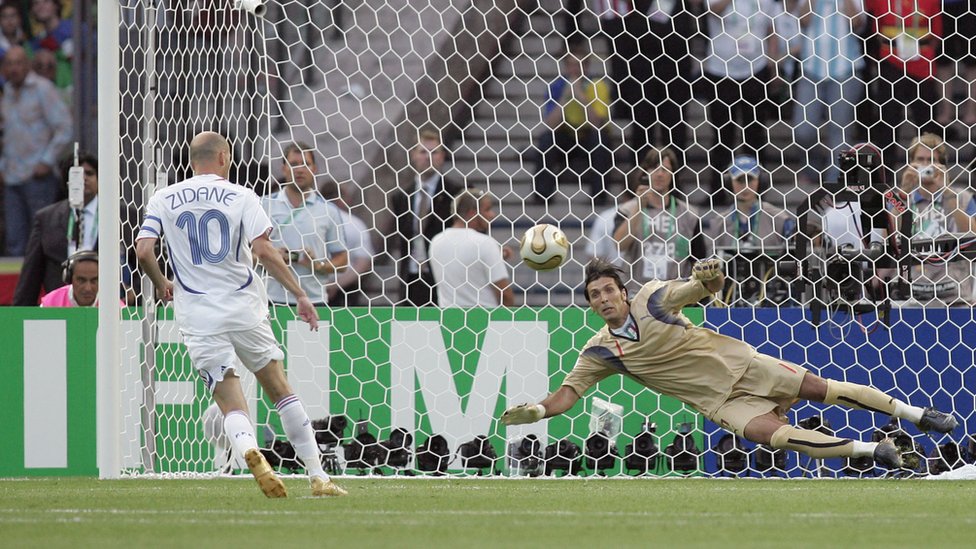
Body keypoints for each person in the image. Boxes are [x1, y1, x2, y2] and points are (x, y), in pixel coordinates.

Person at [501, 257, 959, 469]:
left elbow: (698, 288)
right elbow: (568, 394)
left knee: (825, 389)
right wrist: (539, 411)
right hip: (719, 401)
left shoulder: (651, 299)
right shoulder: (600, 351)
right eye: (594, 295)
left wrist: (711, 277)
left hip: (744, 365)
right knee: (774, 436)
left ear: (622, 291)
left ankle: (919, 416)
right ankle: (873, 452)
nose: (603, 299)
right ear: (590, 304)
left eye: (608, 290)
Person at [135, 131, 346, 498]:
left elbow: (143, 250)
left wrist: (162, 282)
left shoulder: (164, 198)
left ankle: (248, 449)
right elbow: (263, 250)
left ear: (192, 160)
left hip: (198, 313)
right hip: (244, 307)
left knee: (230, 401)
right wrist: (300, 294)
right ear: (223, 158)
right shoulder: (243, 196)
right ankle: (318, 477)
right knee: (280, 389)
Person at [12, 153, 139, 305]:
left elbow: (141, 264)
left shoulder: (124, 216)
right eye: (76, 175)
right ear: (67, 181)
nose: (84, 178)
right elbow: (31, 274)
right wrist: (19, 315)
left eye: (90, 173)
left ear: (99, 179)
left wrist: (135, 295)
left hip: (111, 309)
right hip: (60, 309)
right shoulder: (46, 218)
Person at [701, 0, 783, 206]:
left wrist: (774, 67)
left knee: (754, 134)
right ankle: (717, 191)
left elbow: (771, 30)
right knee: (722, 136)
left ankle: (757, 190)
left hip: (756, 69)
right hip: (721, 71)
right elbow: (712, 10)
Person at [0, 45, 72, 256]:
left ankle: (44, 289)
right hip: (12, 177)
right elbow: (5, 134)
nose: (14, 68)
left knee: (42, 238)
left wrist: (47, 160)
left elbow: (65, 127)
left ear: (28, 65)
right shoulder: (8, 92)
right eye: (9, 63)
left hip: (38, 176)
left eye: (18, 62)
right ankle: (16, 289)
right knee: (15, 240)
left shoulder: (43, 88)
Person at [261, 142, 348, 307]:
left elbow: (342, 262)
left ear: (314, 169)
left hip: (314, 300)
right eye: (293, 164)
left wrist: (317, 265)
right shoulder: (264, 205)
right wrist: (272, 257)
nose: (299, 169)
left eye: (305, 164)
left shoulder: (328, 210)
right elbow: (244, 254)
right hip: (270, 299)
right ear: (283, 169)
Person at [791, 0, 866, 185]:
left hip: (845, 69)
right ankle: (812, 168)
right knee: (803, 130)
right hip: (811, 69)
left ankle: (836, 181)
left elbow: (857, 22)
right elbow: (804, 20)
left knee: (840, 130)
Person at [705, 157, 796, 305]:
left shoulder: (779, 219)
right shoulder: (718, 223)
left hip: (773, 301)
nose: (745, 186)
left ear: (761, 181)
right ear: (729, 183)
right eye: (740, 180)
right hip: (730, 301)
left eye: (750, 179)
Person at [388, 127, 463, 307]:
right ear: (413, 155)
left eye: (434, 152)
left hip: (444, 278)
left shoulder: (456, 192)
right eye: (423, 152)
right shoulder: (401, 197)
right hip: (411, 277)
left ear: (442, 156)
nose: (428, 157)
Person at [897, 134, 976, 305]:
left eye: (931, 160)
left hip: (956, 296)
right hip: (913, 296)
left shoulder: (962, 197)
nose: (926, 165)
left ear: (942, 164)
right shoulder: (900, 200)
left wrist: (947, 192)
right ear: (911, 163)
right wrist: (904, 192)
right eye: (920, 159)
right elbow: (889, 238)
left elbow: (973, 237)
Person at [613, 147, 708, 286]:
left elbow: (698, 260)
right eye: (655, 169)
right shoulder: (627, 209)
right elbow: (619, 244)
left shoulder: (689, 215)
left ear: (673, 174)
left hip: (676, 295)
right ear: (645, 172)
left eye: (665, 169)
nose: (660, 174)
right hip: (636, 293)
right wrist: (639, 207)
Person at [531, 41, 613, 203]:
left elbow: (596, 122)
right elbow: (550, 124)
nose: (575, 70)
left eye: (579, 65)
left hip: (589, 135)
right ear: (566, 67)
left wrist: (581, 97)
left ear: (587, 67)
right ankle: (542, 195)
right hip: (567, 135)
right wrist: (565, 98)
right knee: (547, 139)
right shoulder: (557, 86)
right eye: (571, 65)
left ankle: (599, 196)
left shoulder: (598, 86)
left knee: (600, 141)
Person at [864, 0, 941, 170]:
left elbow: (936, 32)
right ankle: (885, 173)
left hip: (922, 62)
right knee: (888, 120)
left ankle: (929, 173)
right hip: (890, 61)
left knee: (925, 121)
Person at [429, 189, 514, 308]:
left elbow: (462, 265)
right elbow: (505, 295)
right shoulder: (485, 243)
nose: (492, 215)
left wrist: (495, 257)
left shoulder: (436, 242)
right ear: (471, 213)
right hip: (483, 319)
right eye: (487, 209)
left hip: (449, 319)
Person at [319, 179, 373, 307]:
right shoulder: (355, 224)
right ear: (342, 198)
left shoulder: (310, 221)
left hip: (312, 288)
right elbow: (363, 264)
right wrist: (336, 285)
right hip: (346, 290)